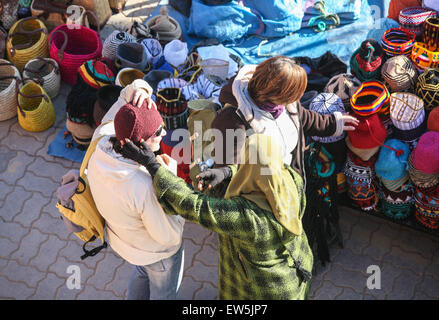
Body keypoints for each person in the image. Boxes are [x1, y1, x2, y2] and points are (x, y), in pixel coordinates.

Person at [115, 133, 314, 300]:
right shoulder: (289, 177)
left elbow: (194, 205)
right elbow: (258, 167)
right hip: (296, 267)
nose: (241, 163)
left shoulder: (250, 219)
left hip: (263, 289)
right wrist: (227, 172)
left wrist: (152, 165)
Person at [87, 79, 185, 300]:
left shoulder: (102, 140)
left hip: (124, 242)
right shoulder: (143, 185)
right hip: (155, 252)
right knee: (164, 293)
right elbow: (168, 237)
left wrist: (140, 89)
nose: (164, 133)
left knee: (141, 271)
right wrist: (169, 179)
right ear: (141, 142)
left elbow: (124, 98)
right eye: (158, 131)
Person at [212, 55, 359, 181]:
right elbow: (228, 167)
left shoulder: (285, 105)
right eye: (295, 93)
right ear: (279, 94)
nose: (298, 97)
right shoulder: (233, 120)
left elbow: (305, 118)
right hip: (262, 195)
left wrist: (334, 123)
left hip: (287, 182)